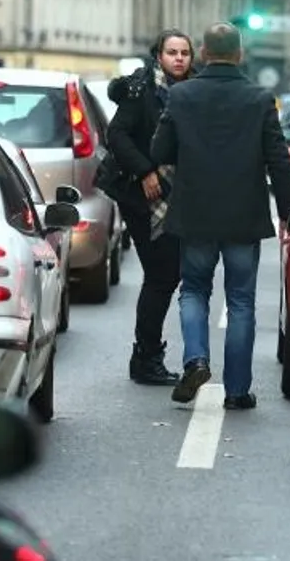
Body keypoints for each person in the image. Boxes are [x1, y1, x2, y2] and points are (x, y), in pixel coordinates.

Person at [149, 22, 290, 410]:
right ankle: (237, 391)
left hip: (195, 211)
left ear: (202, 52)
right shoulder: (260, 99)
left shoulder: (181, 95)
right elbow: (279, 161)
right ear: (240, 54)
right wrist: (288, 212)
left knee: (194, 290)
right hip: (243, 214)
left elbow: (160, 150)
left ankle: (196, 360)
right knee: (241, 301)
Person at [104, 29, 196, 385]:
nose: (178, 59)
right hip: (137, 192)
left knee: (164, 275)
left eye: (184, 53)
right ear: (158, 55)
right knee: (161, 275)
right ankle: (145, 358)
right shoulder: (141, 89)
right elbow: (117, 135)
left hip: (177, 194)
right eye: (171, 52)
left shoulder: (193, 89)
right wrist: (145, 170)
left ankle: (145, 356)